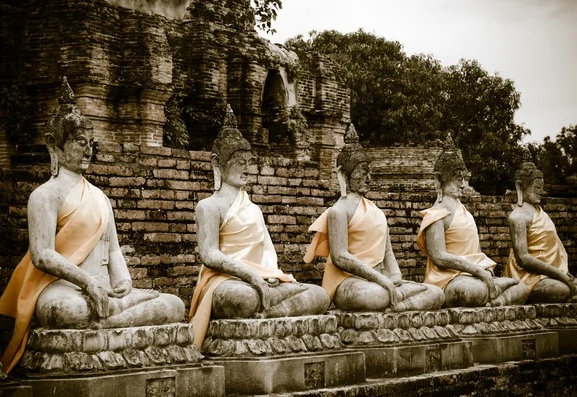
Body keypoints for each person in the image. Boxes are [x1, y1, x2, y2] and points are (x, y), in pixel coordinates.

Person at [0, 77, 184, 372]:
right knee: (67, 312)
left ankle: (115, 309)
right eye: (79, 143)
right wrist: (87, 282)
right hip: (62, 288)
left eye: (90, 144)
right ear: (56, 145)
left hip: (105, 288)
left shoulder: (99, 197)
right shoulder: (44, 195)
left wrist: (123, 283)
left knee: (174, 305)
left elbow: (115, 251)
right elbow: (42, 254)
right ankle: (117, 313)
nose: (87, 150)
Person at [189, 105, 329, 348]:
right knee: (242, 299)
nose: (246, 167)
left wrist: (268, 274)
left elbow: (266, 252)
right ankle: (268, 314)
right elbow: (209, 255)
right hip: (225, 281)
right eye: (238, 161)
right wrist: (251, 275)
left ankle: (266, 316)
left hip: (260, 280)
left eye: (248, 161)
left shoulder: (252, 208)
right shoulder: (208, 206)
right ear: (218, 163)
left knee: (319, 296)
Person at [305, 124, 445, 312]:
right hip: (350, 282)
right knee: (373, 296)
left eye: (369, 173)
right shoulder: (338, 211)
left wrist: (394, 276)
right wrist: (379, 279)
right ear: (344, 174)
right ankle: (400, 303)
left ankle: (396, 303)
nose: (369, 178)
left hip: (380, 279)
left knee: (436, 293)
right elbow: (340, 257)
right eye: (363, 173)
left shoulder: (376, 211)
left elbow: (388, 253)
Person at [417, 135, 529, 307]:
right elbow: (439, 256)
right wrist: (476, 270)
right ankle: (493, 297)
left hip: (476, 275)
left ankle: (495, 301)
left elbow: (475, 252)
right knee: (471, 292)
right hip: (450, 278)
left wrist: (482, 271)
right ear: (440, 180)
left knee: (521, 288)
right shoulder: (435, 214)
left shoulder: (464, 212)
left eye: (463, 178)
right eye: (457, 178)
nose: (462, 184)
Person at [505, 161, 576, 303]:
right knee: (562, 290)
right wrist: (558, 274)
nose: (541, 192)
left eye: (541, 187)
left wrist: (561, 273)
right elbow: (523, 258)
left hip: (550, 274)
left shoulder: (540, 213)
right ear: (520, 186)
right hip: (528, 277)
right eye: (537, 187)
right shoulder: (518, 217)